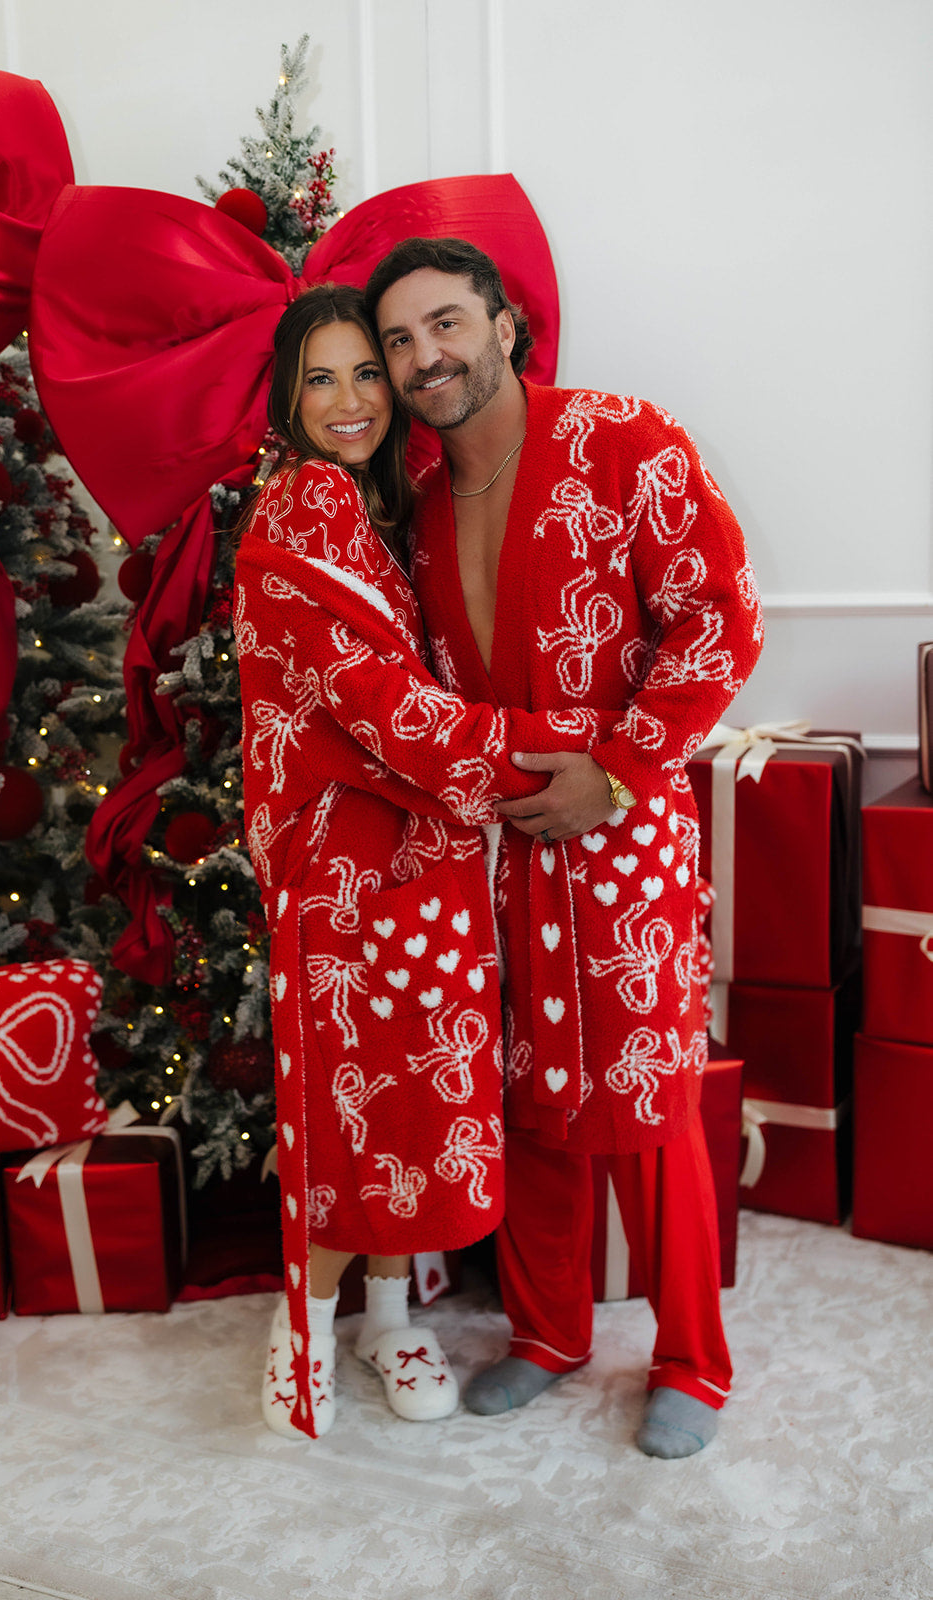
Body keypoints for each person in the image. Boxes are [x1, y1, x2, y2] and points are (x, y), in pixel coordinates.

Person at [365, 239, 764, 1458]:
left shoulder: (623, 439)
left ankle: (691, 1355)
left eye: (443, 323)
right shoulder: (422, 506)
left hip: (624, 828)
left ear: (501, 323)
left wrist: (624, 769)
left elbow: (719, 614)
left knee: (643, 1098)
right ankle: (547, 1332)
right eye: (396, 340)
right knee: (525, 1097)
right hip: (493, 845)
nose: (424, 355)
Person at [234, 283, 613, 1440]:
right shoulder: (304, 507)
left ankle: (391, 1315)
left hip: (420, 860)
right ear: (288, 399)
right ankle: (301, 1328)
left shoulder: (380, 504)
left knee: (407, 1102)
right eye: (323, 379)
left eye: (367, 372)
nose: (352, 400)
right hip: (347, 872)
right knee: (354, 1109)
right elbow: (375, 706)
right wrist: (546, 753)